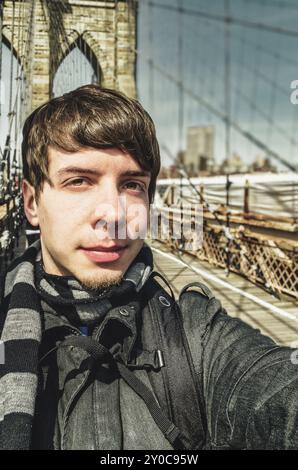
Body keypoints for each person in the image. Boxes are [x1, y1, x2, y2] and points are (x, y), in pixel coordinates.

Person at [0, 85, 297, 450]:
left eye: (132, 185)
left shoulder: (194, 334)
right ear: (31, 202)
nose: (114, 214)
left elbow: (275, 389)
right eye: (78, 181)